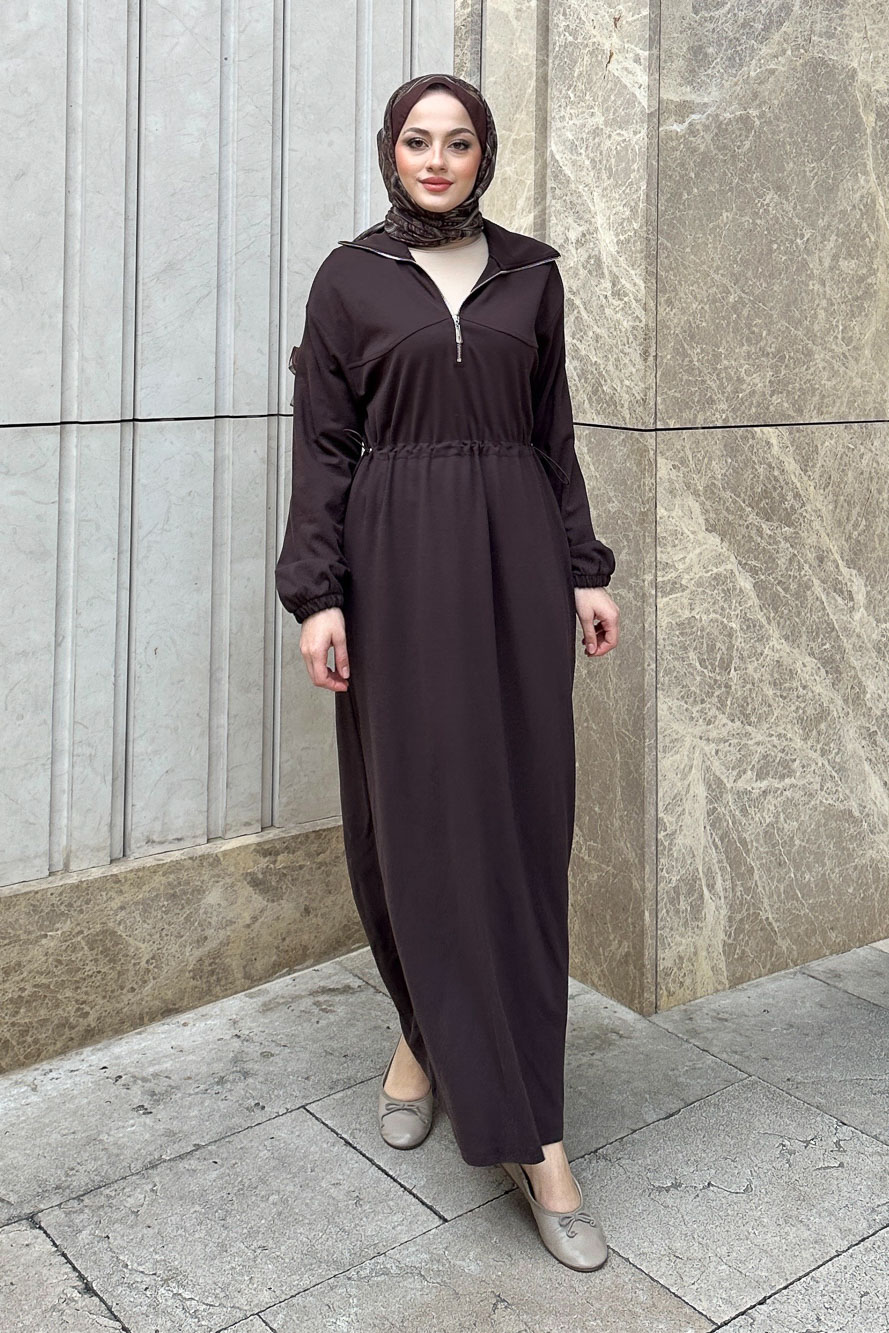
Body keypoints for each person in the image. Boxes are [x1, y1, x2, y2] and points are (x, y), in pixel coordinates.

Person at [275, 72, 620, 1271]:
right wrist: (317, 592)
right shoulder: (349, 277)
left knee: (520, 820)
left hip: (518, 556)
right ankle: (465, 1070)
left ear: (484, 154)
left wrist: (584, 569)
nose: (436, 158)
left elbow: (553, 432)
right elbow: (324, 443)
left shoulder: (532, 274)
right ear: (391, 151)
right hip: (397, 563)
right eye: (417, 140)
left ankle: (507, 1100)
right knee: (413, 815)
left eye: (457, 141)